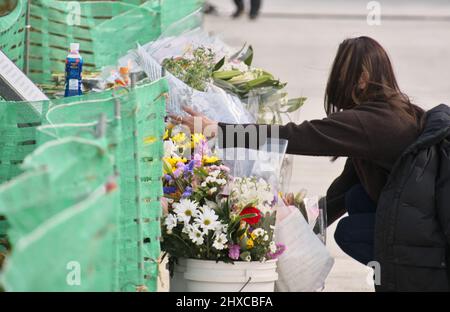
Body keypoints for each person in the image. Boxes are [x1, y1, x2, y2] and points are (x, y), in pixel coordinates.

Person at [170, 36, 426, 267]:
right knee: (357, 197)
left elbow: (297, 136)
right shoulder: (393, 112)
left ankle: (411, 277)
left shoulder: (371, 122)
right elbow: (343, 191)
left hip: (424, 229)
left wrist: (221, 130)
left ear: (361, 79)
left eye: (341, 74)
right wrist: (293, 225)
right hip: (419, 215)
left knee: (350, 232)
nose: (337, 81)